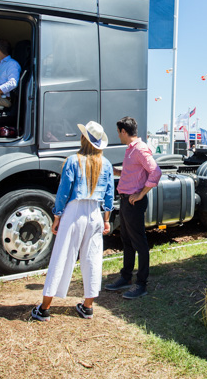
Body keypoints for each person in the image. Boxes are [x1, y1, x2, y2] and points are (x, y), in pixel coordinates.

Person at [31, 121, 114, 321]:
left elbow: (63, 192)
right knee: (92, 259)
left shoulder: (72, 161)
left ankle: (45, 307)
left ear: (83, 139)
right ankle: (87, 306)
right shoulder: (107, 164)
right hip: (95, 212)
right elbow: (110, 195)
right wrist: (106, 219)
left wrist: (57, 216)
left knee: (61, 256)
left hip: (74, 211)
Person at [104, 116, 161, 299]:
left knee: (139, 243)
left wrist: (141, 194)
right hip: (127, 200)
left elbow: (155, 172)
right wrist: (117, 172)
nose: (118, 136)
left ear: (123, 131)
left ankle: (141, 284)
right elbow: (135, 173)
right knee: (127, 241)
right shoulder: (131, 149)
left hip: (134, 202)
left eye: (118, 132)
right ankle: (126, 278)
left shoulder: (140, 149)